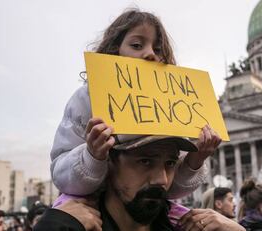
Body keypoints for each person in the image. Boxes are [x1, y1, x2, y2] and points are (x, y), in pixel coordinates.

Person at [50, 8, 220, 203]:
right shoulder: (86, 99)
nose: (150, 54)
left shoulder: (173, 106)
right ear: (115, 51)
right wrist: (92, 155)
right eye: (137, 45)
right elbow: (61, 175)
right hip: (96, 209)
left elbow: (168, 188)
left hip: (146, 213)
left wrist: (194, 160)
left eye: (158, 49)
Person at [35, 135, 226, 231]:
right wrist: (55, 225)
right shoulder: (70, 225)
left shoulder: (188, 226)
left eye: (170, 163)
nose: (162, 179)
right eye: (145, 161)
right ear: (110, 162)